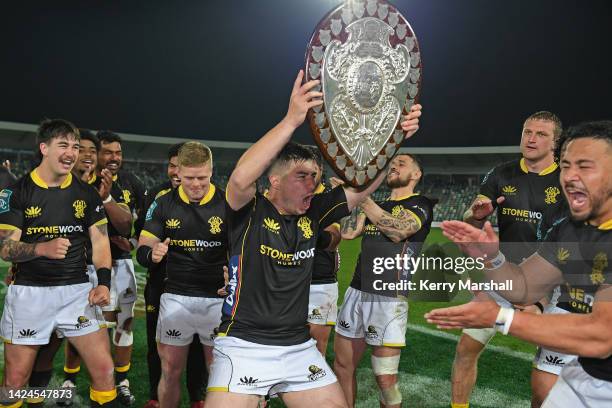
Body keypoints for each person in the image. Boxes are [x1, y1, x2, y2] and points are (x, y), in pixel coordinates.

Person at [204, 69, 422, 408]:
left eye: (315, 177)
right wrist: (292, 120)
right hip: (243, 344)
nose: (312, 184)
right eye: (302, 176)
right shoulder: (249, 211)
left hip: (297, 346)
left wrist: (395, 139)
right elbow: (240, 178)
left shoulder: (314, 212)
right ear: (274, 181)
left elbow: (360, 189)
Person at [426, 120, 612, 408]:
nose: (570, 177)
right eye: (566, 166)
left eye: (585, 166)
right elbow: (524, 286)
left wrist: (498, 317)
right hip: (585, 376)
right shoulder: (571, 230)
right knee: (542, 387)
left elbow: (602, 336)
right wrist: (490, 256)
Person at [451, 111, 569, 408]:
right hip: (503, 275)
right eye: (527, 132)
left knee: (545, 380)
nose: (531, 138)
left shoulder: (567, 180)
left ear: (556, 143)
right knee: (466, 349)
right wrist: (475, 216)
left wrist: (539, 298)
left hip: (551, 283)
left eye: (541, 134)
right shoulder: (501, 173)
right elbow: (471, 219)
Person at [0, 119, 118, 407]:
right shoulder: (16, 193)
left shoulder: (86, 194)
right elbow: (5, 248)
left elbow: (101, 243)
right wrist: (42, 248)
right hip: (30, 294)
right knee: (15, 380)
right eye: (63, 145)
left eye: (75, 146)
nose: (71, 153)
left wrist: (103, 283)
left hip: (76, 293)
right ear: (44, 148)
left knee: (104, 370)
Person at [334, 153, 434, 408]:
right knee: (343, 366)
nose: (394, 166)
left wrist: (362, 199)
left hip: (388, 297)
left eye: (401, 164)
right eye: (392, 164)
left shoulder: (420, 204)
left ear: (416, 174)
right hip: (356, 291)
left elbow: (399, 231)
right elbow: (348, 233)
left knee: (385, 380)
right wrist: (345, 198)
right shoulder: (375, 204)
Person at [137, 141, 227, 407]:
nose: (196, 184)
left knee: (218, 373)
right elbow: (144, 244)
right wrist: (151, 254)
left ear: (211, 172)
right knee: (171, 370)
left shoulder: (227, 203)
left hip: (217, 299)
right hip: (176, 297)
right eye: (189, 178)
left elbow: (244, 248)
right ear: (179, 174)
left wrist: (235, 270)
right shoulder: (164, 203)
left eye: (203, 177)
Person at [306, 147, 342, 355]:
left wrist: (309, 232)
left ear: (321, 170)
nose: (308, 177)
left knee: (317, 347)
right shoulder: (283, 196)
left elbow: (334, 240)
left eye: (313, 171)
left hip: (319, 283)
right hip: (285, 279)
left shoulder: (330, 200)